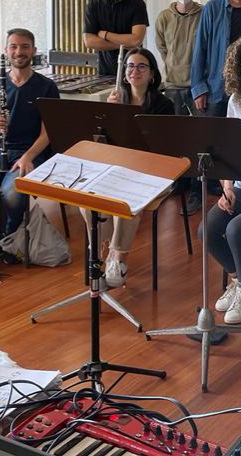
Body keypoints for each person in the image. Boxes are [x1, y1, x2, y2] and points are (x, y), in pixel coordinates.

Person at [0, 28, 60, 268]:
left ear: (33, 51)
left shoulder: (46, 86)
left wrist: (28, 157)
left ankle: (10, 238)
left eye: (25, 47)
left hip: (30, 153)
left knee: (13, 195)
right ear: (6, 50)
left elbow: (48, 133)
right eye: (14, 47)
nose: (19, 52)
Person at [81, 47, 174, 288]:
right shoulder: (115, 100)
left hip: (153, 171)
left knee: (127, 199)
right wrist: (109, 114)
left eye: (142, 66)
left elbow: (163, 148)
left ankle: (118, 255)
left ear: (152, 74)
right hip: (118, 167)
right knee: (86, 195)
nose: (135, 71)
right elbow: (102, 143)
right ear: (124, 73)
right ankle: (97, 250)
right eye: (130, 66)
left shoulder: (163, 105)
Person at [201, 37, 241, 324]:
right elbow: (227, 149)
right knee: (208, 230)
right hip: (239, 184)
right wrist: (227, 186)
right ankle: (239, 281)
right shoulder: (235, 100)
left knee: (236, 230)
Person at [189, 0, 241, 214]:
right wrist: (198, 87)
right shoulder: (212, 8)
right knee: (208, 143)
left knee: (234, 142)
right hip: (215, 87)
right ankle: (196, 192)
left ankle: (232, 191)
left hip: (240, 86)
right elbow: (200, 47)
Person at [156, 0, 203, 216]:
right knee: (175, 141)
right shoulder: (164, 17)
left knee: (197, 141)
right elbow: (162, 47)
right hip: (173, 86)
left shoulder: (204, 14)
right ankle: (179, 184)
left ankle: (196, 191)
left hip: (196, 88)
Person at [83, 0, 149, 76]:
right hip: (105, 70)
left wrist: (106, 35)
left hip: (134, 71)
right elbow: (89, 42)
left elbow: (136, 40)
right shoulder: (93, 4)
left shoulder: (138, 3)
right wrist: (124, 45)